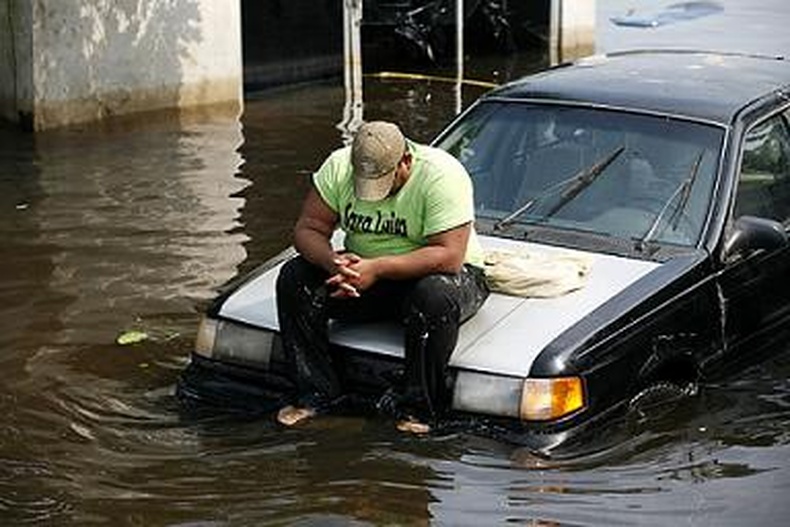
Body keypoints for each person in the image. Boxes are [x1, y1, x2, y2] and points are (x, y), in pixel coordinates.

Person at [275, 120, 489, 433]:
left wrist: (377, 268)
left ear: (406, 161)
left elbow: (449, 255)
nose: (375, 194)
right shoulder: (337, 167)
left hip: (442, 275)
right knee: (295, 278)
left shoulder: (442, 174)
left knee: (433, 296)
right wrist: (333, 262)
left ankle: (418, 409)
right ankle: (317, 395)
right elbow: (309, 229)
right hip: (365, 273)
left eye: (384, 182)